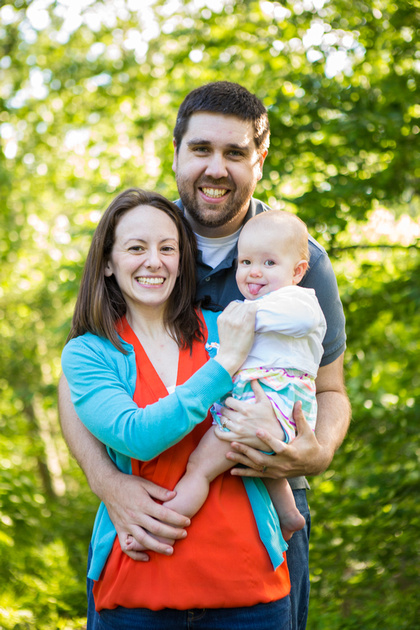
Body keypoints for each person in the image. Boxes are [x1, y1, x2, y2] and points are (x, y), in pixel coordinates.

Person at [58, 81, 351, 630]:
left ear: (259, 161)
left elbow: (330, 388)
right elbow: (79, 377)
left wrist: (316, 454)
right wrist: (108, 483)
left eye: (235, 153)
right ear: (176, 154)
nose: (216, 168)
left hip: (262, 491)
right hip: (152, 492)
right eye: (201, 150)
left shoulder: (299, 256)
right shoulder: (145, 239)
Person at [61, 187, 292, 629]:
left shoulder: (227, 325)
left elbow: (282, 414)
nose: (154, 261)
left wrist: (274, 432)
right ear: (108, 262)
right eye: (136, 248)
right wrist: (224, 366)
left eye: (168, 248)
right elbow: (138, 437)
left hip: (251, 595)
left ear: (182, 260)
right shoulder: (88, 353)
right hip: (136, 597)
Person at [159, 210, 327, 543]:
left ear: (297, 271)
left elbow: (302, 321)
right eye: (246, 262)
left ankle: (164, 524)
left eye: (269, 264)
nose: (254, 273)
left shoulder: (299, 301)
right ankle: (289, 513)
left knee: (199, 468)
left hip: (279, 405)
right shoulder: (256, 306)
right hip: (269, 409)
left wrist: (243, 315)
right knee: (262, 465)